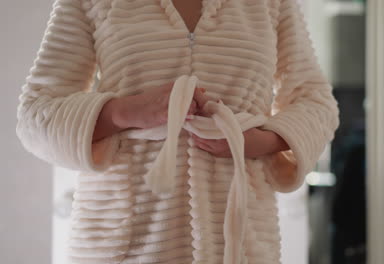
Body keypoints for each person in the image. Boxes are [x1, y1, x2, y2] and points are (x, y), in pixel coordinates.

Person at [16, 0, 340, 263]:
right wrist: (129, 111)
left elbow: (316, 103)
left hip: (243, 246)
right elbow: (35, 114)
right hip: (120, 245)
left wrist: (261, 141)